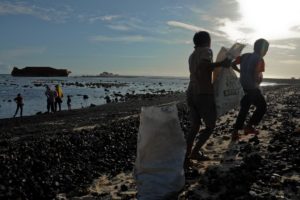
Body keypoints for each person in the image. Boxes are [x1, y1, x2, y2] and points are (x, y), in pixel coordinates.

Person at [185, 31, 231, 166]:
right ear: (207, 41)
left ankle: (186, 156)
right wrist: (222, 63)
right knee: (210, 126)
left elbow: (199, 68)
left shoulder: (192, 55)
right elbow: (204, 66)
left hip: (191, 92)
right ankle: (195, 151)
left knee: (195, 126)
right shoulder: (207, 50)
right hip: (203, 93)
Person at [231, 38, 269, 141]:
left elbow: (232, 64)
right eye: (266, 50)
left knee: (244, 109)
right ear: (263, 50)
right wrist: (259, 81)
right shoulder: (260, 59)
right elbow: (256, 75)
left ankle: (235, 132)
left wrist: (241, 72)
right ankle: (249, 126)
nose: (266, 52)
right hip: (252, 88)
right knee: (262, 107)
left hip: (243, 87)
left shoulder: (245, 56)